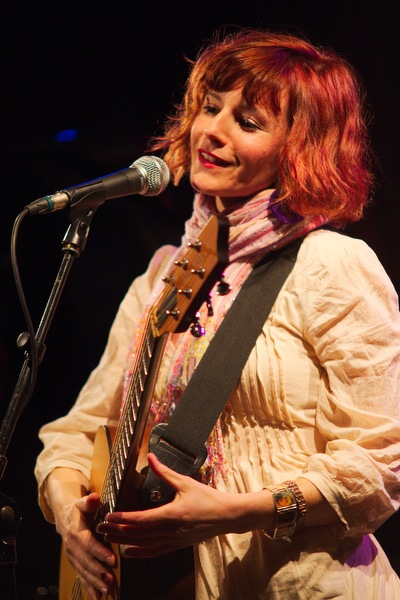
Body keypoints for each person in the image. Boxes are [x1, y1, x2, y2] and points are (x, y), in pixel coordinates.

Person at [34, 27, 400, 599]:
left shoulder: (331, 265)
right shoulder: (166, 270)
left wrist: (233, 512)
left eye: (248, 122)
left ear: (298, 149)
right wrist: (69, 518)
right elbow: (79, 429)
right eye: (210, 107)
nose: (213, 130)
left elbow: (379, 468)